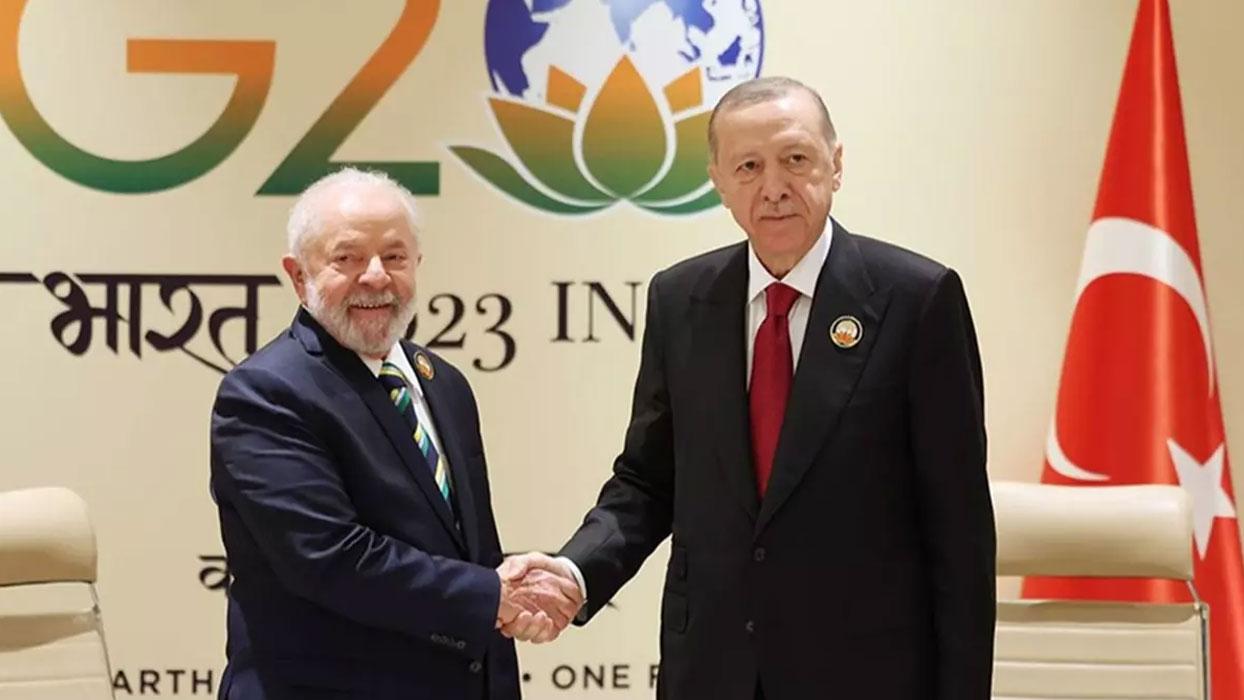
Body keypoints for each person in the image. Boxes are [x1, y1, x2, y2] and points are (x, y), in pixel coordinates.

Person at [502, 77, 996, 699]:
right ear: (719, 181)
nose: (774, 187)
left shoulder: (917, 300)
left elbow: (959, 531)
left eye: (796, 159)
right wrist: (576, 571)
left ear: (836, 164)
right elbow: (648, 481)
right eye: (749, 166)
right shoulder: (681, 300)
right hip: (714, 671)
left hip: (865, 674)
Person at [209, 168, 581, 699]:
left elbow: (460, 550)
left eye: (395, 256)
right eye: (347, 258)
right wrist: (492, 595)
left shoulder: (443, 383)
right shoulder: (266, 392)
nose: (376, 277)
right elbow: (330, 558)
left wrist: (510, 596)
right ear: (298, 275)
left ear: (417, 265)